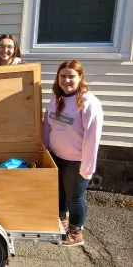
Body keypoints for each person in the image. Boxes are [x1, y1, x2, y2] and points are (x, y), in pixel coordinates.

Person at [43, 60, 103, 246]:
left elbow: (93, 138)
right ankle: (62, 221)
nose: (66, 80)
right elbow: (47, 124)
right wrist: (44, 148)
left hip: (75, 161)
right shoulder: (56, 97)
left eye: (71, 76)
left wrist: (87, 167)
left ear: (80, 77)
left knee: (75, 198)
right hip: (55, 155)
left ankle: (76, 233)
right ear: (58, 78)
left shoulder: (89, 102)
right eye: (63, 76)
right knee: (59, 192)